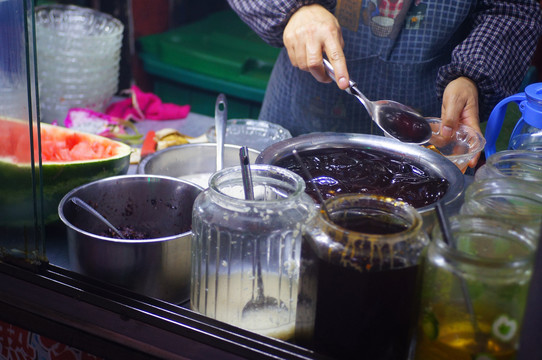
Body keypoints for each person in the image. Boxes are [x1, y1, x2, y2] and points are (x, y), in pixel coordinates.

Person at [227, 0, 542, 168]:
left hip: (428, 143)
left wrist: (473, 75)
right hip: (300, 125)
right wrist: (291, 9)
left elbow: (513, 9)